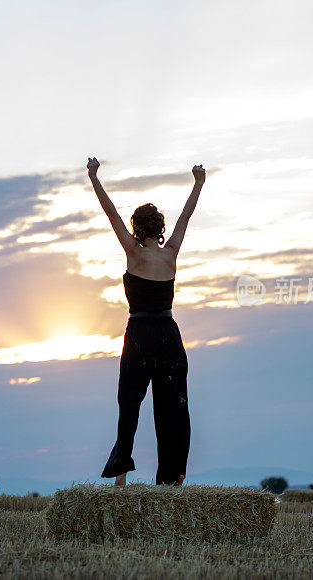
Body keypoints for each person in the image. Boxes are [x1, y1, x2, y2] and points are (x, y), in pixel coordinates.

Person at [87, 156, 206, 486]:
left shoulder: (132, 251)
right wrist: (198, 183)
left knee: (129, 403)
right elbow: (186, 217)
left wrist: (94, 176)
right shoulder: (171, 253)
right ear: (161, 229)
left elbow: (110, 213)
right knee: (174, 409)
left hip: (139, 333)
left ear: (137, 229)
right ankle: (173, 480)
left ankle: (120, 479)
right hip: (169, 334)